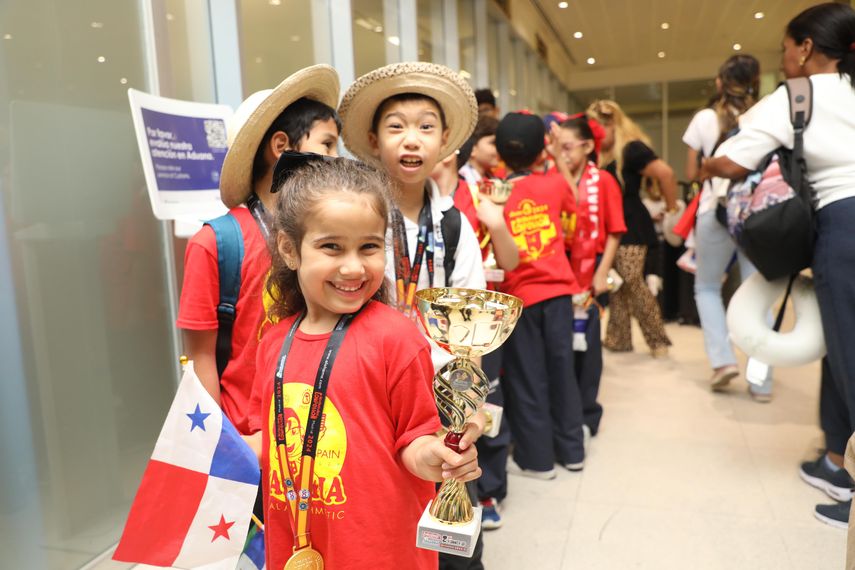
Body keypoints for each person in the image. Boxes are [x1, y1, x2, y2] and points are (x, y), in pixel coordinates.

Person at [244, 156, 482, 570]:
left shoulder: (396, 338)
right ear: (289, 249)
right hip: (295, 546)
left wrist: (434, 457)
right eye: (331, 246)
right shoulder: (272, 342)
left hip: (381, 553)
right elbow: (266, 437)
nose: (353, 267)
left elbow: (415, 438)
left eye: (369, 247)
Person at [701, 2, 855, 528]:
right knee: (842, 347)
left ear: (807, 47)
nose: (784, 58)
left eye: (787, 47)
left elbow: (733, 161)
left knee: (851, 357)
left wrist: (703, 164)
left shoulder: (799, 94)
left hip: (845, 225)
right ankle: (837, 462)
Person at [338, 62, 489, 568]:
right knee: (384, 518)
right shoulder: (356, 214)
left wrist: (470, 399)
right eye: (396, 126)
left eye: (425, 126)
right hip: (372, 394)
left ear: (445, 139)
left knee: (450, 524)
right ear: (373, 138)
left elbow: (474, 325)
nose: (411, 140)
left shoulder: (452, 225)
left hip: (440, 393)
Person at [176, 65, 341, 435]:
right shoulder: (216, 242)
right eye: (327, 144)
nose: (335, 157)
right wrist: (222, 446)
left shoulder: (329, 238)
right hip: (248, 439)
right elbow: (201, 355)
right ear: (282, 146)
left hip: (320, 431)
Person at [432, 140, 519, 530]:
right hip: (429, 342)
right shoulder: (396, 205)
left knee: (485, 408)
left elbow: (511, 261)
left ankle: (488, 490)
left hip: (477, 334)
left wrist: (496, 221)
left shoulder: (480, 194)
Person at [495, 111, 585, 477]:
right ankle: (572, 450)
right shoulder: (553, 185)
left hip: (520, 299)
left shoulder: (494, 190)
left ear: (500, 152)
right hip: (560, 295)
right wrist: (557, 161)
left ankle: (537, 459)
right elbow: (573, 210)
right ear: (541, 151)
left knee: (527, 378)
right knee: (562, 372)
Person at [682, 54, 774, 401]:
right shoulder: (766, 111)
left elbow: (692, 173)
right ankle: (761, 380)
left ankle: (722, 363)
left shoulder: (705, 118)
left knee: (706, 287)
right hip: (756, 213)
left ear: (720, 82)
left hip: (715, 211)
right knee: (758, 294)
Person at [551, 114, 627, 437]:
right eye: (558, 148)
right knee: (560, 346)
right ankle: (563, 413)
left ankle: (586, 413)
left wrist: (602, 270)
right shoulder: (554, 179)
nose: (563, 154)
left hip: (591, 268)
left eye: (568, 147)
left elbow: (615, 231)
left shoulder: (604, 181)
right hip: (558, 267)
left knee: (588, 347)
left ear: (586, 146)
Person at [586, 99, 678, 357]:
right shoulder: (595, 153)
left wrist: (672, 210)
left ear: (612, 125)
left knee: (632, 281)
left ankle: (658, 341)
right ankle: (618, 338)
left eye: (600, 128)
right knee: (617, 285)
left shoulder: (631, 149)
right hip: (607, 226)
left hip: (632, 227)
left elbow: (667, 174)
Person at [459, 116, 500, 185]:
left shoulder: (495, 179)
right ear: (472, 149)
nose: (499, 148)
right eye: (493, 143)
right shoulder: (460, 179)